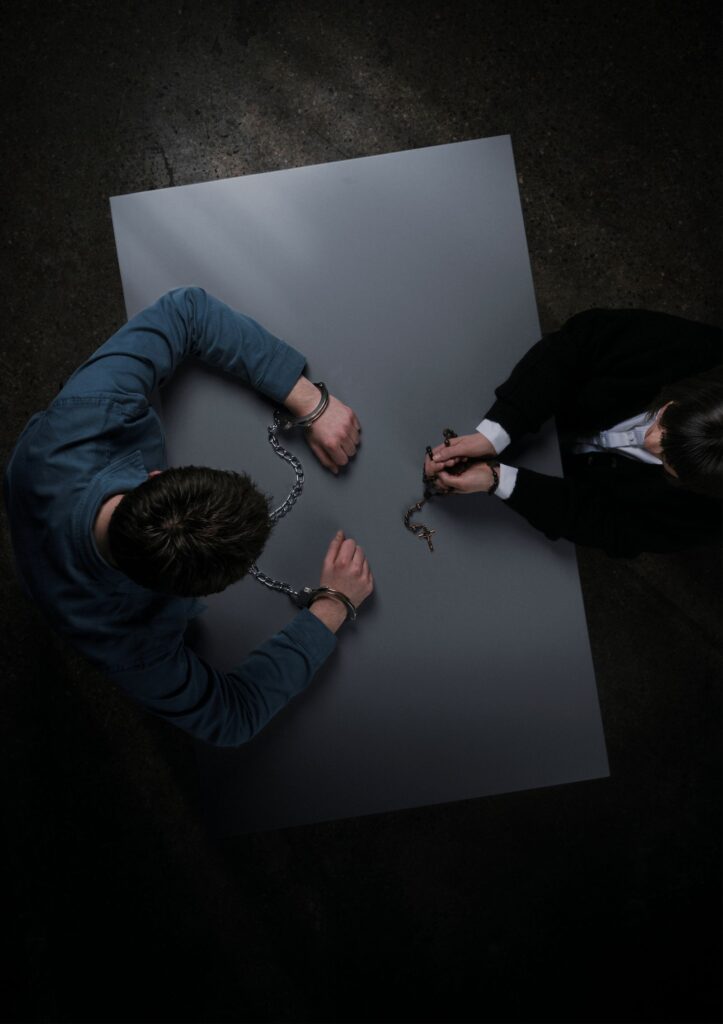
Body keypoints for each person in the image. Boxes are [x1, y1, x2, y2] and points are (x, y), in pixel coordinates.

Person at [4, 287, 373, 747]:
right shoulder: (131, 646)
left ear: (156, 476)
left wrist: (309, 401)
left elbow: (187, 311)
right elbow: (233, 716)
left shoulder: (90, 413)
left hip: (35, 477)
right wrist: (333, 607)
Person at [424, 308, 722, 557]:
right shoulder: (692, 350)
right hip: (542, 401)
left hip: (564, 489)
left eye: (667, 457)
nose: (650, 440)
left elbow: (610, 527)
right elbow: (578, 344)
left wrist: (497, 480)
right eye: (665, 420)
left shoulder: (704, 516)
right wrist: (496, 432)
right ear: (690, 392)